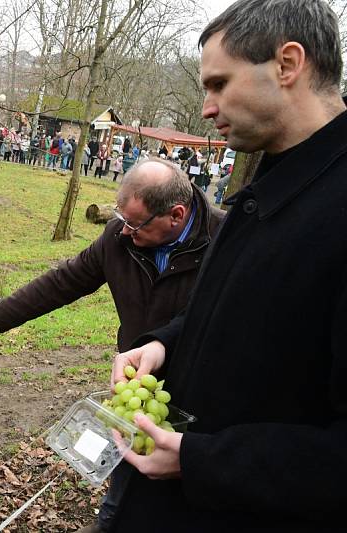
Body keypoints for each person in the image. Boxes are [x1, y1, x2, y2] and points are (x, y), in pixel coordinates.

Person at [108, 2, 347, 531]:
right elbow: (231, 313)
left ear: (287, 65)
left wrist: (204, 461)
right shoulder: (264, 190)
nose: (207, 108)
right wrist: (165, 342)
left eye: (218, 84)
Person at [0, 159, 224, 533]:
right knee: (125, 474)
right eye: (122, 218)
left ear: (176, 215)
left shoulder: (226, 243)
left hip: (196, 393)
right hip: (134, 388)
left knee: (179, 493)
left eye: (134, 223)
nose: (124, 230)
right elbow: (64, 281)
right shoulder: (120, 237)